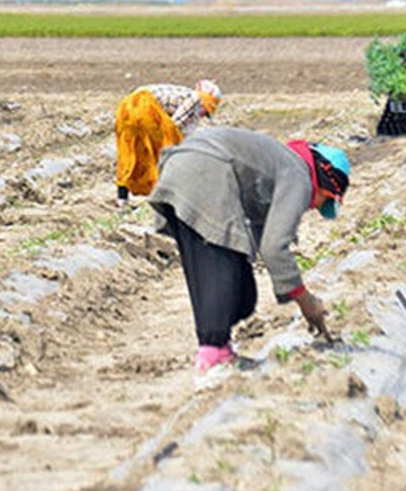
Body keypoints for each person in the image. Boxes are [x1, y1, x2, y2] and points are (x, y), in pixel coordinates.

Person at [147, 127, 348, 371]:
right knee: (219, 275)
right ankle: (212, 359)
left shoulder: (279, 161)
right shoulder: (300, 176)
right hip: (206, 173)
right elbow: (274, 247)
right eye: (323, 202)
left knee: (242, 293)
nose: (314, 208)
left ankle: (219, 349)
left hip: (179, 170)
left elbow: (261, 237)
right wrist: (307, 302)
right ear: (325, 180)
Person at [115, 80, 222, 207]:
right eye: (206, 110)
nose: (204, 115)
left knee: (130, 152)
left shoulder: (184, 96)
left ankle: (122, 199)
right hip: (144, 106)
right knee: (162, 153)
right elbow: (174, 127)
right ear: (205, 102)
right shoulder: (195, 99)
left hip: (127, 107)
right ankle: (163, 197)